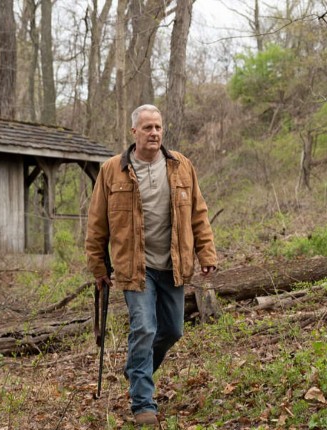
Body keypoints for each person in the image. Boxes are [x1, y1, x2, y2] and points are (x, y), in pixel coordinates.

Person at [85, 104, 218, 426]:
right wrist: (98, 267)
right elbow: (97, 223)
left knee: (172, 330)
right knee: (144, 328)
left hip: (173, 264)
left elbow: (198, 213)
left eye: (158, 127)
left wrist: (207, 253)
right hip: (135, 267)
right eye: (147, 128)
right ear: (134, 132)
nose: (154, 133)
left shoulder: (181, 166)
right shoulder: (112, 170)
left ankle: (136, 369)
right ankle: (143, 402)